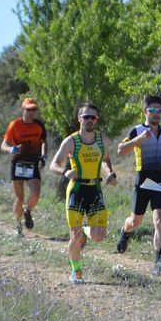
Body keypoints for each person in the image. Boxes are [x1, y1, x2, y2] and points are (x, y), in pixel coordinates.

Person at [50, 103, 117, 284]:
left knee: (99, 236)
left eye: (93, 117)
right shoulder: (71, 141)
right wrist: (65, 172)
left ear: (96, 120)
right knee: (75, 236)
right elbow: (54, 164)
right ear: (79, 119)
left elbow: (106, 159)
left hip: (95, 189)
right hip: (77, 190)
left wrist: (109, 173)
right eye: (86, 117)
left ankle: (85, 232)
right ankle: (76, 271)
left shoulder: (102, 140)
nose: (89, 120)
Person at [116, 95, 161, 275]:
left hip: (159, 180)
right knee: (135, 221)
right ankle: (125, 231)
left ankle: (158, 262)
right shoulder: (137, 130)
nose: (157, 114)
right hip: (143, 181)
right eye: (153, 110)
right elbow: (121, 150)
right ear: (145, 112)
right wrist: (139, 139)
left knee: (160, 221)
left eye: (159, 111)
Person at [1, 98, 48, 236]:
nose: (32, 112)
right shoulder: (14, 125)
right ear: (23, 110)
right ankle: (18, 226)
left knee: (35, 194)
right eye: (29, 109)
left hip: (33, 162)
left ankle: (28, 210)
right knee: (19, 198)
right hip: (18, 163)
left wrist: (43, 157)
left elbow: (44, 141)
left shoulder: (39, 125)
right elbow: (3, 145)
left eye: (34, 109)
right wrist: (11, 149)